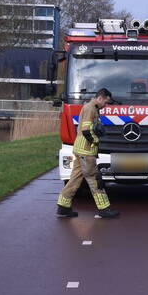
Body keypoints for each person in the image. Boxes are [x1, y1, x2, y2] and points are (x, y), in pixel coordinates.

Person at [57, 88, 120, 219]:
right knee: (94, 178)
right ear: (100, 98)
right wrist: (95, 141)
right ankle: (104, 208)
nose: (106, 105)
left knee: (74, 179)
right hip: (86, 151)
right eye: (106, 102)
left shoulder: (91, 107)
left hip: (80, 149)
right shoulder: (91, 108)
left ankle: (63, 206)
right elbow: (86, 130)